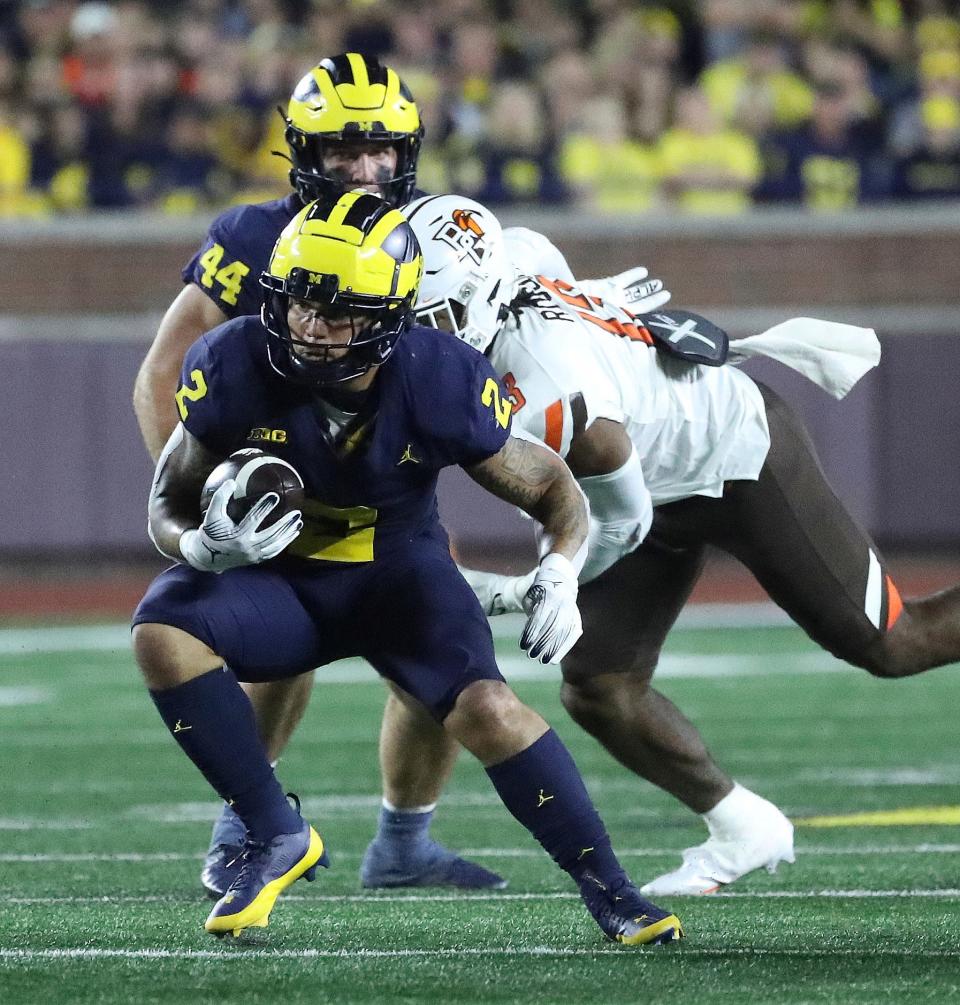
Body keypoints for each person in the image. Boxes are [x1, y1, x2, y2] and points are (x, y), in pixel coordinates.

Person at [132, 51, 671, 898]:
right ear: (303, 152)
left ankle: (403, 841)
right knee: (276, 639)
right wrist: (217, 496)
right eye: (344, 149)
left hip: (391, 469)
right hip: (285, 466)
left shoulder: (438, 231)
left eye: (383, 148)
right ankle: (249, 825)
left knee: (438, 654)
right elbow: (165, 371)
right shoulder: (250, 239)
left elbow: (498, 313)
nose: (367, 167)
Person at [406, 192, 960, 896]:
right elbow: (538, 252)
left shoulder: (548, 389)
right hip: (649, 472)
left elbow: (623, 520)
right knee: (600, 684)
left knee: (891, 643)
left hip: (732, 455)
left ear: (482, 300)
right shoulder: (507, 258)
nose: (416, 333)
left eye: (434, 316)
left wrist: (552, 580)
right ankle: (742, 826)